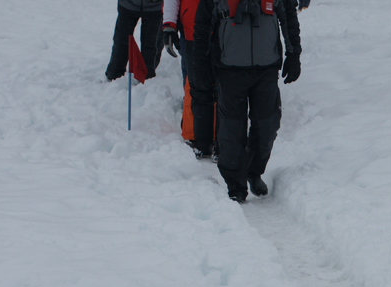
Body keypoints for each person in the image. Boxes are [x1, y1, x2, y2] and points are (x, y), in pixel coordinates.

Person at [190, 0, 301, 202]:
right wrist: (200, 64)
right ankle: (235, 184)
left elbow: (289, 17)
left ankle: (253, 171)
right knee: (231, 130)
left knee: (267, 125)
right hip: (228, 69)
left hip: (266, 68)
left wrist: (294, 54)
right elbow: (203, 24)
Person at [162, 0, 205, 146]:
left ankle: (216, 133)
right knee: (191, 83)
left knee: (219, 85)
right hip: (190, 31)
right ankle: (192, 130)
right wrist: (169, 24)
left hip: (222, 32)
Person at [106, 0, 165, 82]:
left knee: (151, 45)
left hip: (155, 7)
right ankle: (114, 77)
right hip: (127, 5)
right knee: (121, 42)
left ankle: (147, 79)